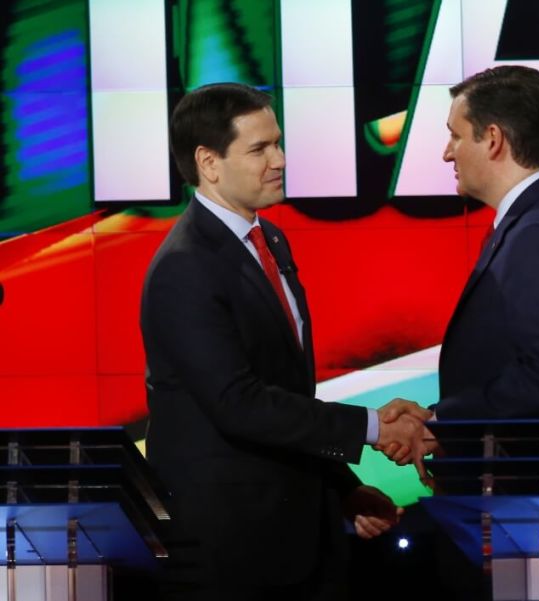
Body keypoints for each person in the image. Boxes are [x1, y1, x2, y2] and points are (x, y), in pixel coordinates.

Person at [140, 82, 429, 601]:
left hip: (299, 536)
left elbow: (288, 397)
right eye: (260, 149)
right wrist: (372, 425)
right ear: (209, 162)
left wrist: (343, 490)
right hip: (231, 552)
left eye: (277, 143)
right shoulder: (185, 267)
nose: (280, 159)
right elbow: (238, 404)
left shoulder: (270, 240)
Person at [381, 65, 539, 601]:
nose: (447, 153)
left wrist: (441, 421)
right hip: (529, 508)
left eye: (455, 135)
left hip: (527, 507)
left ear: (493, 140)